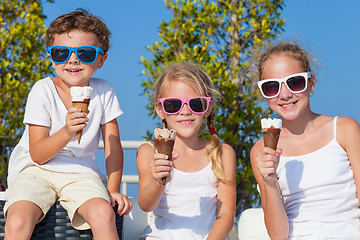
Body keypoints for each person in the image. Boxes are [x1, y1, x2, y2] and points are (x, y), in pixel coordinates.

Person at [3, 9, 132, 240]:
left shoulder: (104, 92)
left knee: (104, 214)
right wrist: (67, 131)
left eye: (85, 53)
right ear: (51, 57)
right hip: (34, 170)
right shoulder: (42, 90)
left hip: (80, 172)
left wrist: (113, 188)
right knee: (18, 219)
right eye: (62, 52)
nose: (73, 59)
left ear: (101, 59)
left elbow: (113, 147)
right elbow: (38, 154)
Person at [250, 42, 360, 239]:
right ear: (264, 95)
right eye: (272, 86)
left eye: (295, 82)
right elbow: (278, 235)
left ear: (311, 83)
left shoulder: (344, 130)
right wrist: (269, 182)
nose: (284, 94)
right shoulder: (261, 150)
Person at [136, 62, 236, 239]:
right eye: (173, 105)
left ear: (208, 108)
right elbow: (146, 204)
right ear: (160, 110)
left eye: (196, 104)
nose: (185, 111)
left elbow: (226, 217)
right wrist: (159, 180)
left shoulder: (223, 153)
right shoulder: (149, 152)